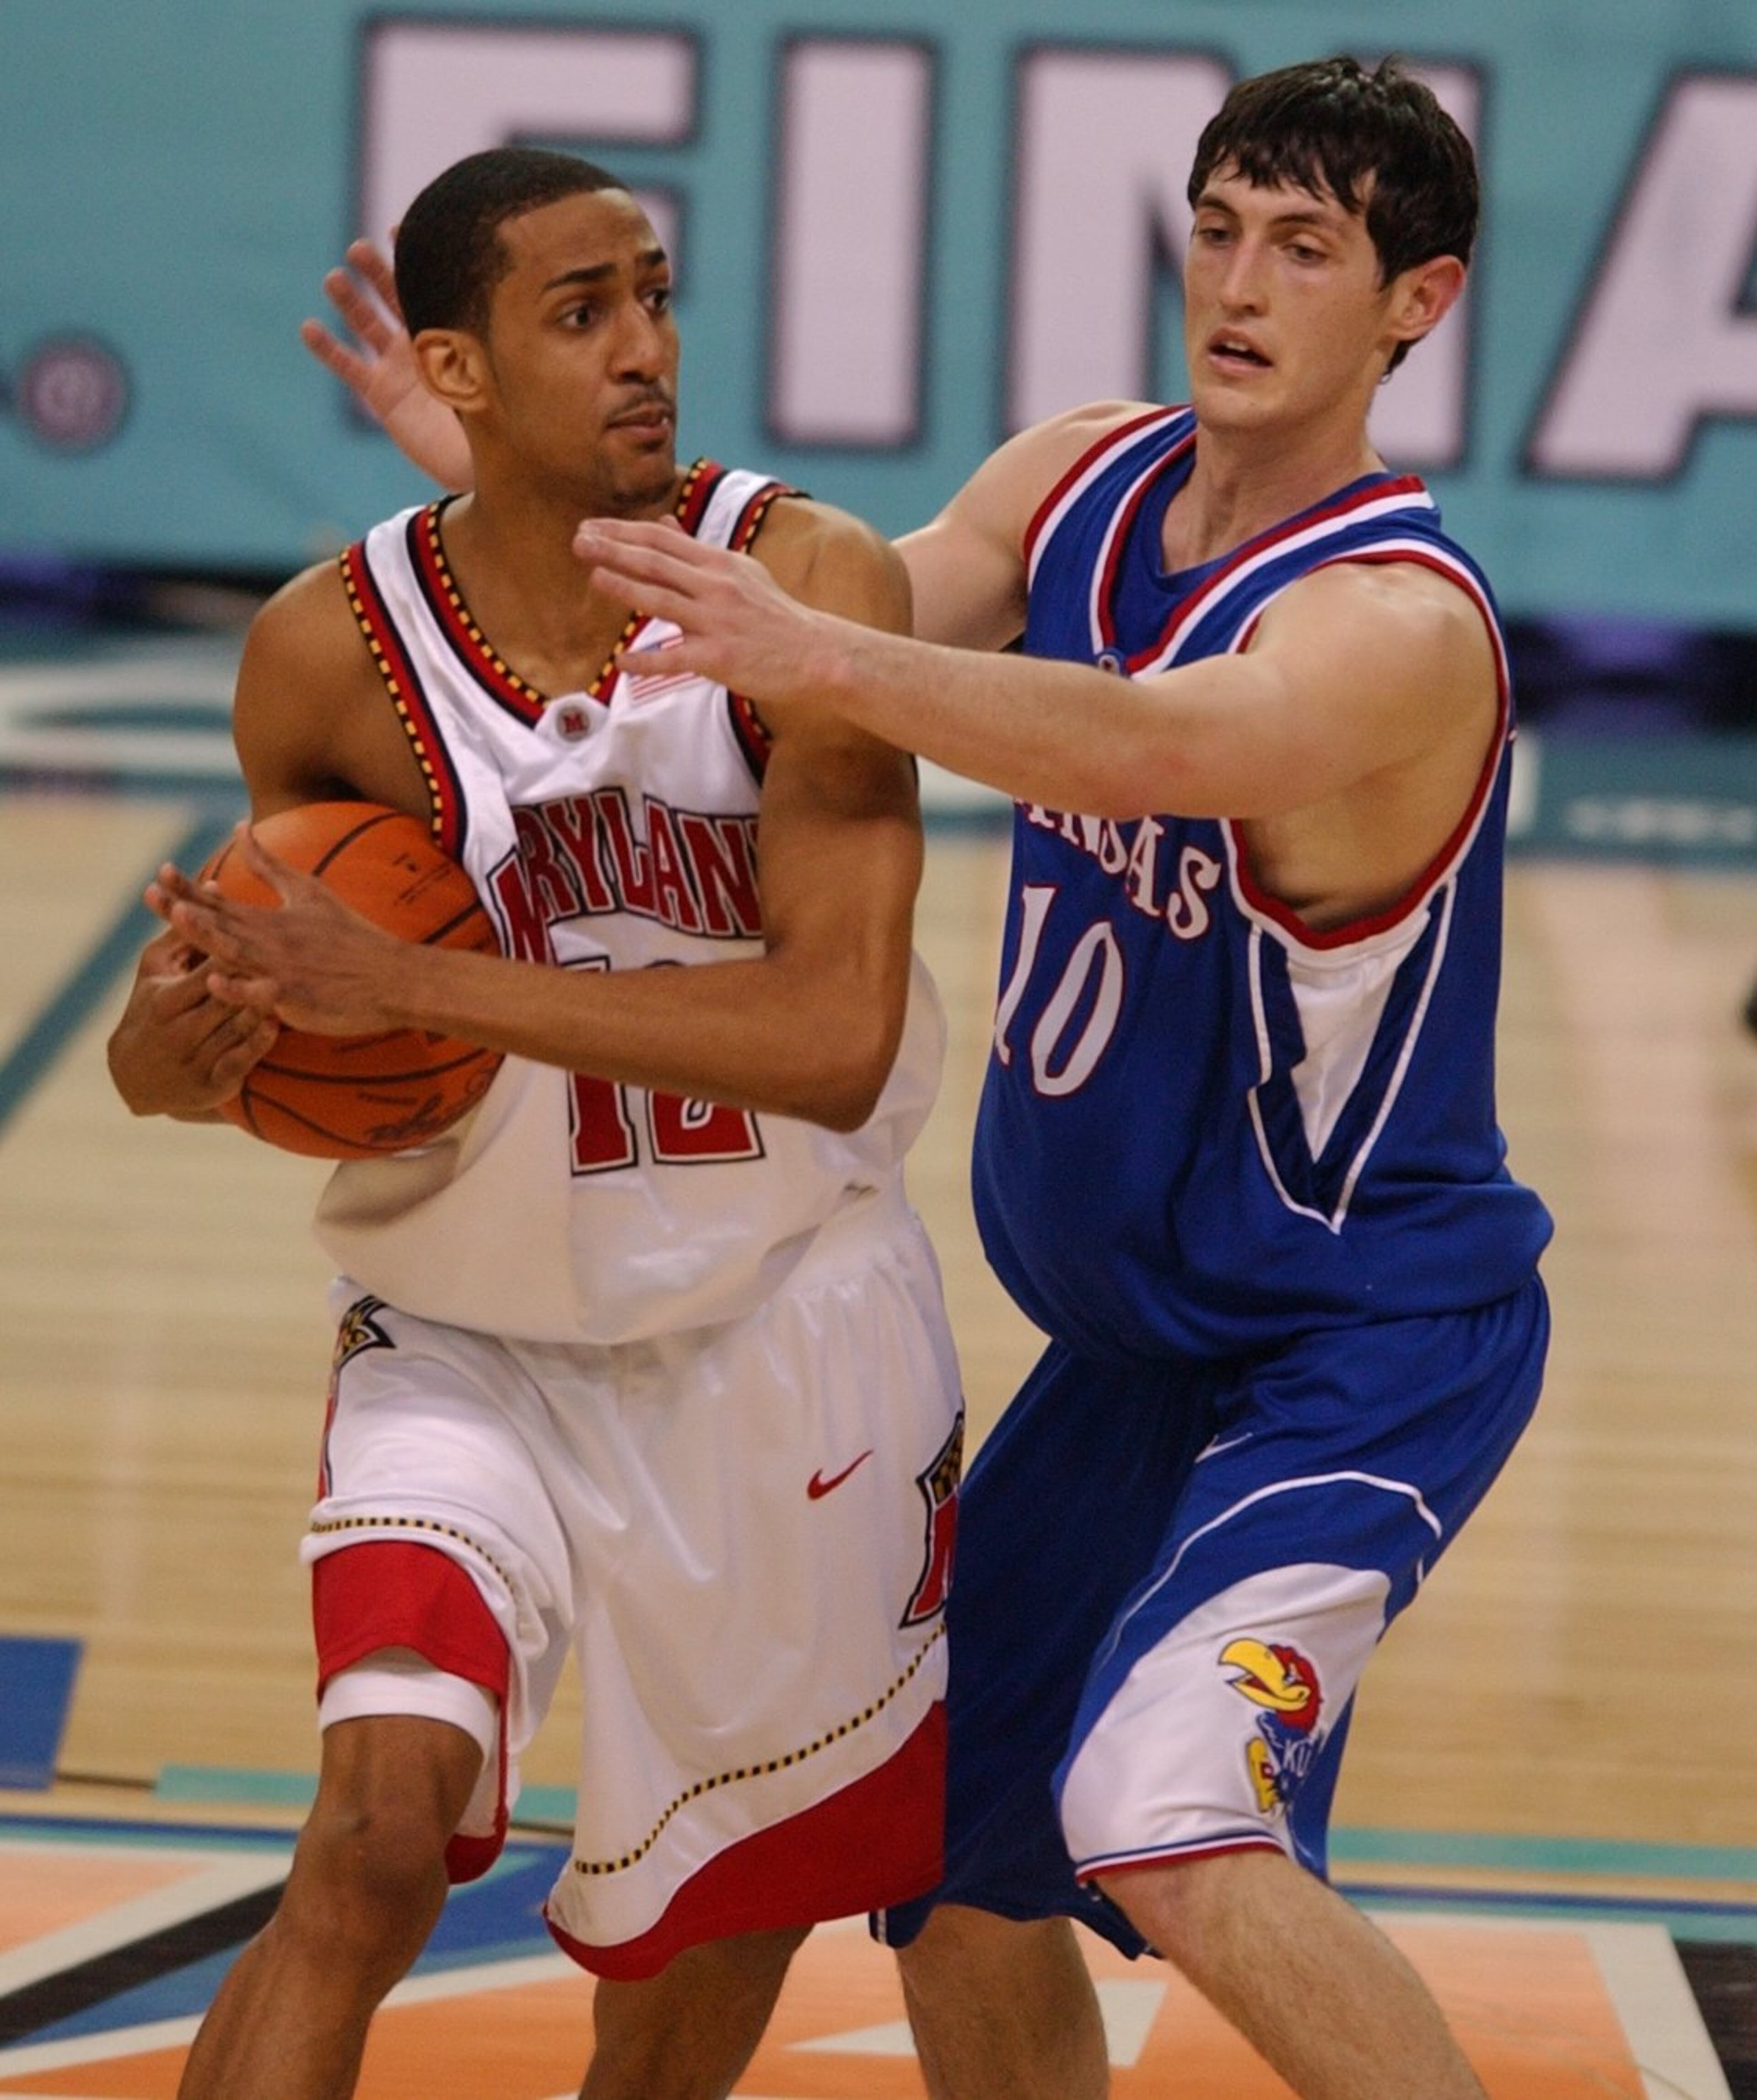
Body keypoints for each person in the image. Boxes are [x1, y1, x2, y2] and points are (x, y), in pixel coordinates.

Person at [266, 55, 1550, 2099]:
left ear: (1419, 300)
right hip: (1134, 1352)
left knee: (1162, 1804)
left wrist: (830, 660)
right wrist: (536, 503)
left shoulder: (1399, 621)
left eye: (1306, 248)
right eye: (1219, 227)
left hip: (1357, 1340)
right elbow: (783, 648)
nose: (1240, 281)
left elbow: (1143, 746)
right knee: (957, 1864)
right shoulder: (1082, 479)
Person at [108, 145, 965, 2100]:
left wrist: (412, 983)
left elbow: (836, 1036)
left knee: (700, 1949)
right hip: (475, 1331)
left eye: (654, 296)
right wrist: (186, 1038)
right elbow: (206, 1061)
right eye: (583, 313)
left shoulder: (809, 585)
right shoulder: (323, 653)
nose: (647, 349)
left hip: (787, 1335)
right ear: (457, 367)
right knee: (373, 1833)